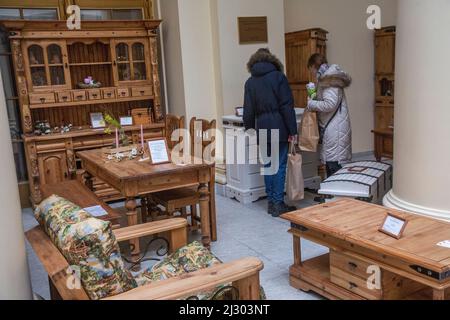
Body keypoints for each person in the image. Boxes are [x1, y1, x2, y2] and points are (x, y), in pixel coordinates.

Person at [243, 48, 298, 217]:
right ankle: (278, 203)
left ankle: (271, 203)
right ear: (272, 60)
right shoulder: (279, 77)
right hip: (279, 126)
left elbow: (248, 110)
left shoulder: (250, 82)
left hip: (262, 128)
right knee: (279, 166)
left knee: (268, 165)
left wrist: (250, 129)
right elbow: (286, 106)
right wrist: (293, 130)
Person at [306, 53, 352, 177]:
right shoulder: (327, 78)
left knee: (334, 165)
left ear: (314, 66)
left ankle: (335, 195)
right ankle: (332, 194)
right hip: (334, 127)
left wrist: (311, 104)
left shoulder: (329, 80)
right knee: (332, 163)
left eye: (310, 69)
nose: (311, 72)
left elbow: (330, 104)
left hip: (334, 129)